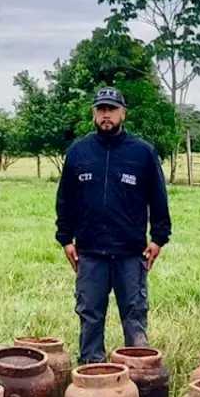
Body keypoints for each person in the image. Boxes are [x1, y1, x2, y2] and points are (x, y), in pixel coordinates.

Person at [55, 87, 171, 364]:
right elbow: (65, 199)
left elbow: (158, 199)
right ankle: (91, 371)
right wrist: (65, 239)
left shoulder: (142, 153)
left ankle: (139, 372)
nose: (106, 115)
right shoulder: (78, 152)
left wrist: (158, 238)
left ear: (123, 113)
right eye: (101, 110)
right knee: (90, 313)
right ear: (94, 113)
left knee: (133, 313)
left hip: (131, 252)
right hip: (90, 251)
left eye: (112, 109)